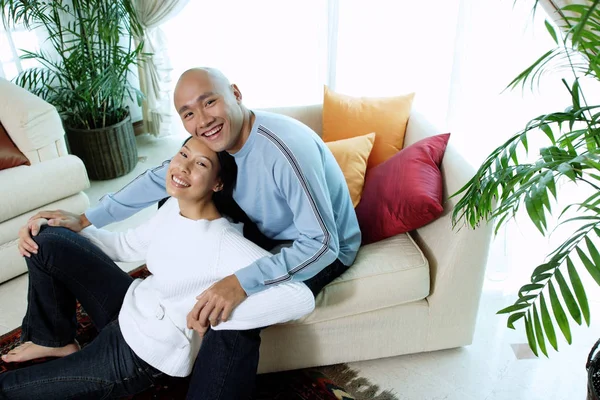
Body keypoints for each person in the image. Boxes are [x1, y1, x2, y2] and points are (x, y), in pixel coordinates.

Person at [19, 67, 361, 399]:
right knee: (180, 200)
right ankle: (53, 335)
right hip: (266, 231)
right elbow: (161, 178)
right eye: (188, 114)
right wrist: (85, 220)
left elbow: (324, 243)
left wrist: (240, 282)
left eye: (209, 103)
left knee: (229, 316)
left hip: (319, 247)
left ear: (236, 94)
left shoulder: (284, 150)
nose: (202, 120)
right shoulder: (210, 141)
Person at [0, 137, 315, 399]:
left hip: (137, 357)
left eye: (201, 164)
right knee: (47, 237)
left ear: (218, 183)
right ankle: (54, 339)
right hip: (129, 306)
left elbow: (299, 297)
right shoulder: (173, 207)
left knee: (9, 389)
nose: (184, 167)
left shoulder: (223, 241)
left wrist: (219, 310)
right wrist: (66, 224)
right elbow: (124, 246)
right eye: (183, 154)